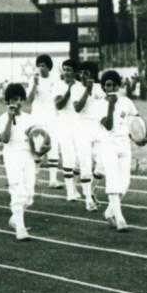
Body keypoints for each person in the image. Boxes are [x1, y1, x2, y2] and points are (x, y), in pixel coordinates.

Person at [97, 70, 139, 231]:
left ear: (118, 85)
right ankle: (120, 218)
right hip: (108, 145)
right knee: (113, 180)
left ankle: (109, 211)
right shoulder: (99, 104)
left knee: (125, 183)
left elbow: (137, 120)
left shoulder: (127, 102)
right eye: (108, 85)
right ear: (103, 87)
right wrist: (110, 105)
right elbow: (107, 125)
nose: (111, 88)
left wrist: (142, 135)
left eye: (114, 85)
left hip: (125, 145)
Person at [0, 83, 36, 241]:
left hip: (28, 156)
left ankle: (15, 219)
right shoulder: (3, 118)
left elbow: (38, 139)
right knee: (17, 191)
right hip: (12, 155)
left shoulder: (30, 118)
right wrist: (9, 118)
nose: (17, 103)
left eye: (19, 99)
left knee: (29, 194)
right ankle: (20, 229)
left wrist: (39, 152)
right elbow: (5, 139)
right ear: (8, 101)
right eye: (13, 99)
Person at [71, 61, 106, 211]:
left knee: (102, 165)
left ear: (92, 74)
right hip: (81, 127)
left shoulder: (101, 88)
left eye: (87, 72)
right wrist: (88, 90)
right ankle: (87, 200)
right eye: (82, 72)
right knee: (85, 164)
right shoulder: (75, 88)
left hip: (98, 128)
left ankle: (90, 192)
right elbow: (78, 108)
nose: (83, 75)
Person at [26, 54, 61, 189]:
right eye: (39, 65)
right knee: (37, 145)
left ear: (49, 67)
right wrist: (34, 84)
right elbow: (28, 100)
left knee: (53, 145)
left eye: (43, 65)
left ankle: (53, 179)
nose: (41, 68)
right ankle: (34, 177)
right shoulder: (33, 80)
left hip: (52, 116)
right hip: (38, 116)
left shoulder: (55, 80)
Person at [53, 58, 81, 201]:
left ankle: (74, 186)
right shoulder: (58, 86)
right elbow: (58, 105)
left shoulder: (81, 86)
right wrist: (69, 91)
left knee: (80, 160)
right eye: (64, 69)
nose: (66, 72)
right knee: (68, 157)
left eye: (69, 70)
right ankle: (70, 191)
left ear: (75, 72)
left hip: (79, 125)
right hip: (64, 125)